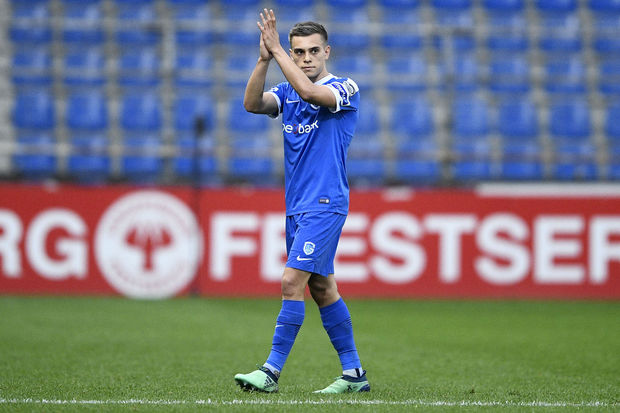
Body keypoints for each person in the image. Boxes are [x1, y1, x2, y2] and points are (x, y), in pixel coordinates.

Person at [233, 9, 369, 394]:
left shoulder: (346, 88)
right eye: (298, 52)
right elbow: (252, 104)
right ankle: (354, 374)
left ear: (327, 51)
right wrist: (264, 59)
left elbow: (312, 93)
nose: (306, 58)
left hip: (326, 204)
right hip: (296, 206)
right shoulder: (287, 91)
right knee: (323, 288)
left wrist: (276, 50)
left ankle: (271, 371)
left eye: (312, 51)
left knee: (292, 281)